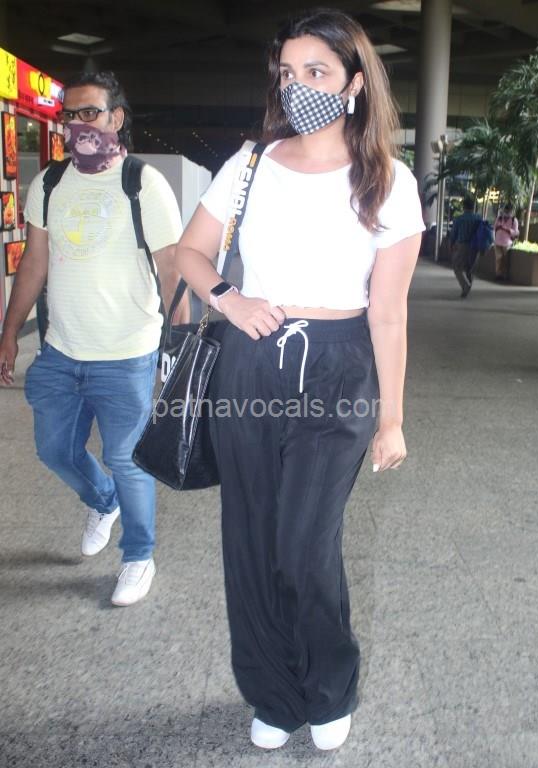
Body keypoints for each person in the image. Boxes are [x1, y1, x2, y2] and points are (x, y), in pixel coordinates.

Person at [175, 8, 424, 752]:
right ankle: (274, 695)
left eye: (317, 71)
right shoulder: (250, 164)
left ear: (354, 81)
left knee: (304, 544)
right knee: (250, 539)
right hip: (252, 360)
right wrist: (230, 299)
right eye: (288, 73)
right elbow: (189, 253)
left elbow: (389, 312)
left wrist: (391, 418)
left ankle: (329, 686)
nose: (298, 86)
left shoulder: (388, 180)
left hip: (340, 368)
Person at [0, 71, 185, 606]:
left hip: (127, 353)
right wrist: (9, 333)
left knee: (127, 459)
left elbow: (171, 269)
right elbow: (34, 263)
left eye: (90, 113)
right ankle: (104, 501)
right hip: (61, 351)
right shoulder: (49, 183)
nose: (78, 124)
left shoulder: (143, 183)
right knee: (54, 450)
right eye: (70, 116)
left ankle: (138, 556)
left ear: (116, 118)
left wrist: (176, 348)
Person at [450, 196, 481, 297]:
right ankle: (468, 285)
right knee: (469, 267)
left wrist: (451, 244)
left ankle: (465, 285)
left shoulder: (459, 219)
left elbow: (454, 233)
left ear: (464, 207)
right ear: (473, 206)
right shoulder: (478, 218)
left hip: (462, 245)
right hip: (475, 246)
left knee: (457, 266)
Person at [493, 202, 519, 281]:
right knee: (498, 259)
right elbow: (494, 228)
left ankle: (505, 275)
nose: (507, 211)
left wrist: (506, 229)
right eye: (506, 210)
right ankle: (498, 274)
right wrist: (498, 228)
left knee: (505, 260)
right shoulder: (499, 218)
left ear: (511, 211)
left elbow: (515, 232)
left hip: (507, 243)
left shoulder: (514, 220)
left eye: (508, 210)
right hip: (497, 241)